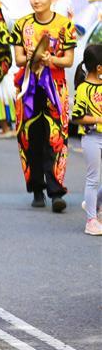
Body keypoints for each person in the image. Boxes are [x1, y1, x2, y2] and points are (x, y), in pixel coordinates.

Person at [11, 0, 75, 212]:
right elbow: (17, 59)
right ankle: (37, 189)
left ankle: (56, 191)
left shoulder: (65, 25)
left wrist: (51, 60)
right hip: (28, 88)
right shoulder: (21, 25)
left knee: (56, 139)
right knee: (30, 138)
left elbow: (67, 60)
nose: (36, 0)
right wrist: (32, 57)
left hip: (55, 90)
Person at [69, 43, 102, 235]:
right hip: (92, 138)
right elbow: (77, 116)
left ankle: (94, 204)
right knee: (93, 179)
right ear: (98, 68)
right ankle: (91, 221)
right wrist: (98, 119)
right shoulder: (83, 90)